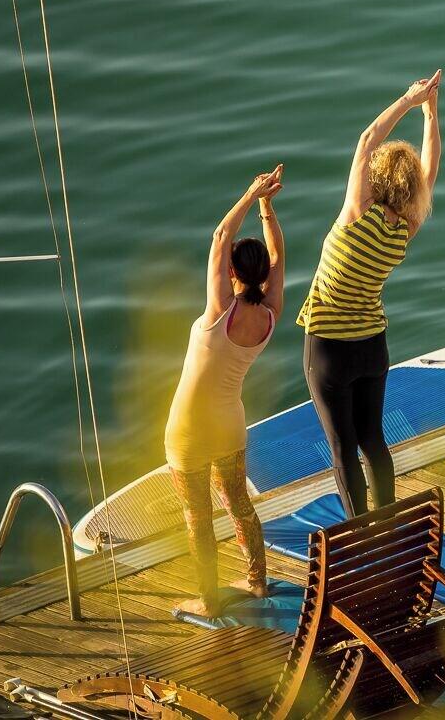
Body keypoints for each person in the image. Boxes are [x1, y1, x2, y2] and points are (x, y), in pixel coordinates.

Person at [300, 72, 442, 514]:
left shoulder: (356, 214)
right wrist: (431, 113)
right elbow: (430, 171)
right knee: (373, 442)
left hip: (328, 349)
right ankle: (389, 522)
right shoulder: (404, 230)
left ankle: (361, 535)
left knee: (343, 449)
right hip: (372, 346)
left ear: (376, 183)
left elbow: (366, 140)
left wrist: (408, 98)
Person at [164, 164, 285, 617]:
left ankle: (210, 600)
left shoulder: (221, 310)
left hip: (190, 429)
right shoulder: (269, 313)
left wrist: (252, 193)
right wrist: (268, 209)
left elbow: (219, 236)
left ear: (232, 271)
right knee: (238, 505)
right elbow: (278, 256)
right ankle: (256, 582)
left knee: (198, 515)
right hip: (230, 423)